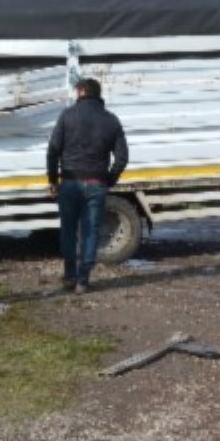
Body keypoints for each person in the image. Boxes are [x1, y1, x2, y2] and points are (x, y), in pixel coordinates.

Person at [47, 78, 129, 293]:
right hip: (96, 183)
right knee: (91, 231)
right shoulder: (111, 120)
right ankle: (83, 280)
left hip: (70, 182)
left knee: (68, 230)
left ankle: (69, 275)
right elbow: (122, 158)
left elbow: (53, 150)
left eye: (77, 90)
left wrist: (52, 180)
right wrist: (109, 179)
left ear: (82, 91)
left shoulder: (67, 116)